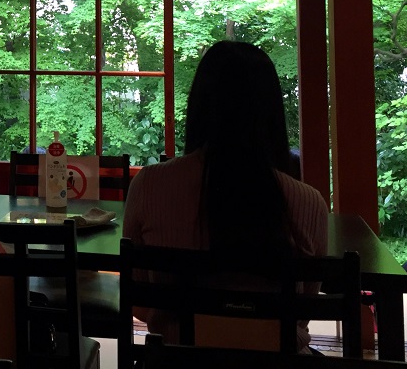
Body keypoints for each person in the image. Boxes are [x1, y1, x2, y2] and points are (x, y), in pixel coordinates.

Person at [123, 40, 328, 353]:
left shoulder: (149, 186)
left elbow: (139, 301)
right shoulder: (309, 203)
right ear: (272, 111)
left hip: (177, 364)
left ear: (199, 106)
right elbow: (302, 311)